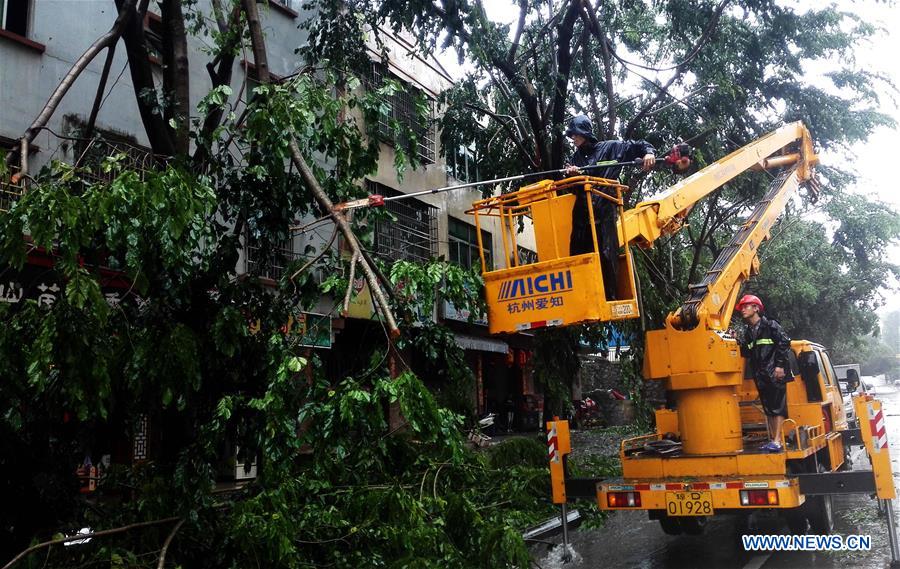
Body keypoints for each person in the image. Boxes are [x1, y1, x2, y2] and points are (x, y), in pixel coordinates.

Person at [563, 115, 656, 300]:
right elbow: (573, 187)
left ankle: (608, 297)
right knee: (578, 254)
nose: (573, 138)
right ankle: (582, 297)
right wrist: (570, 175)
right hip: (582, 212)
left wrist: (649, 152)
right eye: (571, 135)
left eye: (575, 134)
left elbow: (638, 145)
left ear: (585, 133)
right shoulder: (575, 158)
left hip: (604, 210)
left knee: (607, 253)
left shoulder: (611, 148)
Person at [737, 294, 792, 452]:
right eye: (741, 307)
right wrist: (738, 343)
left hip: (774, 372)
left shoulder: (770, 325)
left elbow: (784, 342)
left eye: (746, 306)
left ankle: (777, 440)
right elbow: (747, 353)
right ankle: (773, 440)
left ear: (756, 308)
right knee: (768, 407)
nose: (743, 310)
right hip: (760, 374)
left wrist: (779, 366)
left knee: (777, 406)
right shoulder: (749, 332)